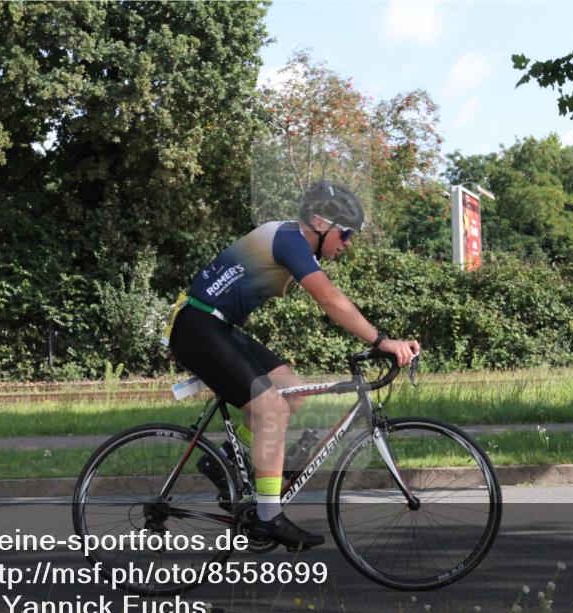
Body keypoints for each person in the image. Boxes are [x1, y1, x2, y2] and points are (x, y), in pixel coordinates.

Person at [167, 181, 420, 550]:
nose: (347, 242)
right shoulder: (288, 239)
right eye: (345, 233)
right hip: (198, 326)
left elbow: (331, 300)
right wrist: (382, 341)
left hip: (214, 325)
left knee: (292, 391)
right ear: (320, 223)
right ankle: (269, 516)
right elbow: (331, 301)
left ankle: (225, 462)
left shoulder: (291, 241)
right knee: (271, 409)